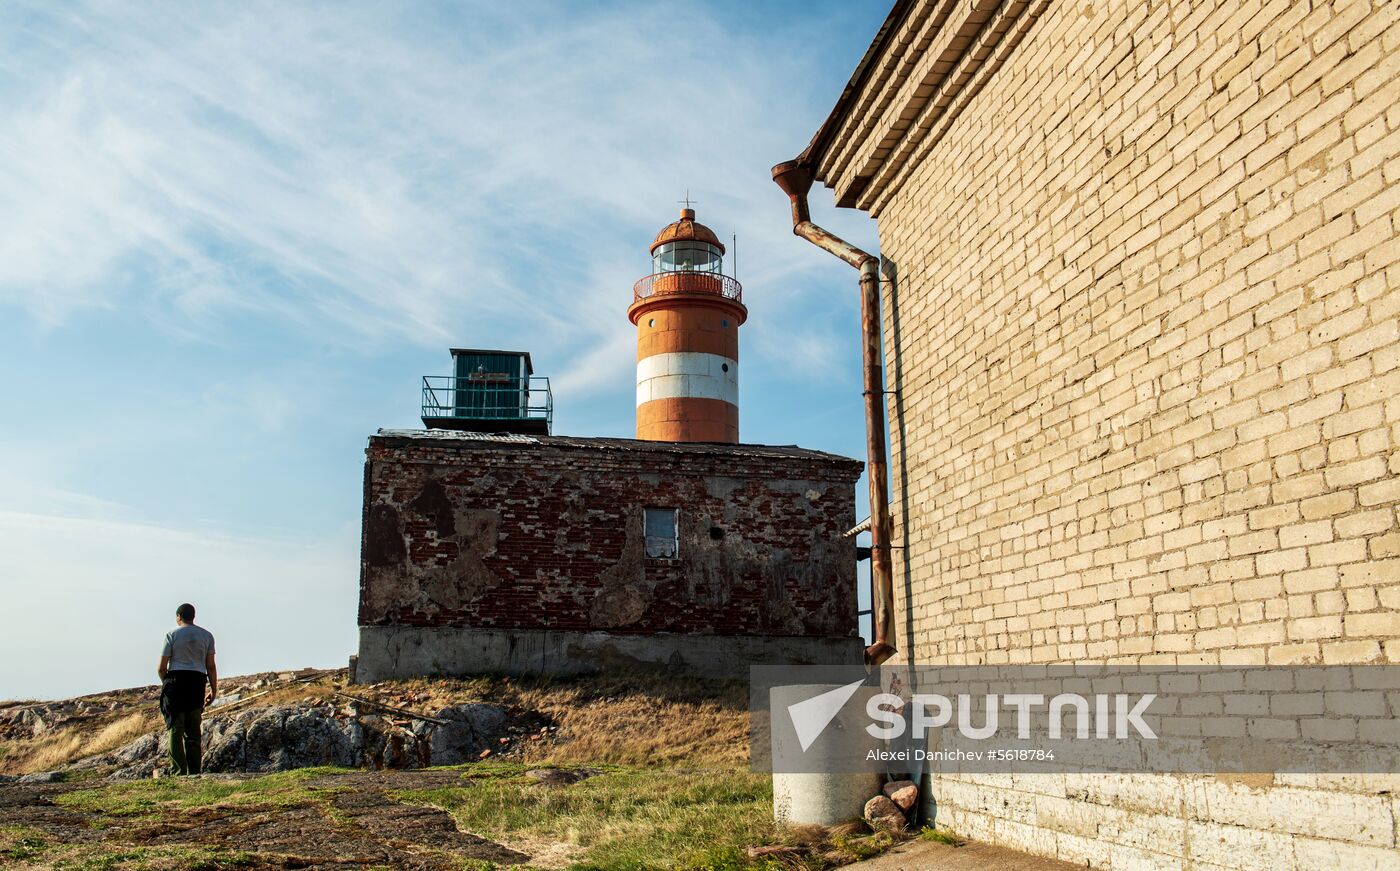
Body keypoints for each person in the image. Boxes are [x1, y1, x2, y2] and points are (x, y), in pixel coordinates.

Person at [157, 603, 217, 775]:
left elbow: (161, 667)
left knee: (175, 730)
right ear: (193, 616)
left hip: (176, 682)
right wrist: (213, 690)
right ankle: (195, 772)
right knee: (193, 732)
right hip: (197, 682)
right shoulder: (207, 636)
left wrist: (167, 683)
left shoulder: (172, 635)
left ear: (179, 616)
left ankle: (178, 772)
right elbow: (210, 666)